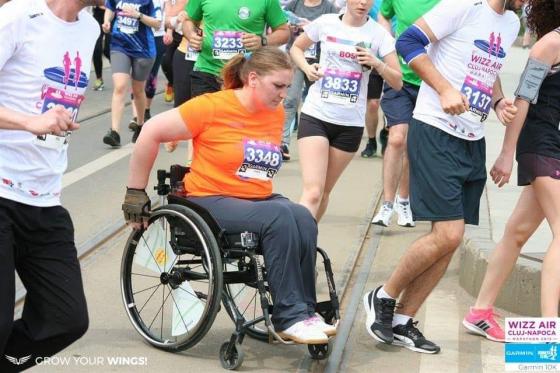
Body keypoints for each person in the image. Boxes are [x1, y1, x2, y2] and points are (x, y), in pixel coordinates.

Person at [121, 47, 336, 344]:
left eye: (287, 86)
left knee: (302, 216)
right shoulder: (211, 107)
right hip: (209, 199)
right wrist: (135, 191)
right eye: (278, 85)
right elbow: (150, 132)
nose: (284, 94)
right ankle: (288, 317)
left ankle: (304, 311)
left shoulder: (274, 115)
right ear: (252, 79)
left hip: (254, 200)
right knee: (280, 217)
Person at [363, 0, 523, 354]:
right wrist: (443, 88)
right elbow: (407, 42)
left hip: (472, 137)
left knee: (451, 237)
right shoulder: (463, 6)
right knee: (448, 234)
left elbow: (487, 65)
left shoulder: (510, 22)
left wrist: (497, 103)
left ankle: (403, 319)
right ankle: (383, 295)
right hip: (436, 129)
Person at [0, 0, 101, 371]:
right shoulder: (17, 17)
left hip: (44, 196)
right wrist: (29, 122)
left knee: (66, 319)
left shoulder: (89, 28)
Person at [463, 0, 560, 343]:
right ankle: (551, 336)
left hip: (554, 146)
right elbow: (522, 100)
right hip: (541, 144)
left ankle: (479, 312)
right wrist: (506, 153)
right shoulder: (551, 44)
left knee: (517, 232)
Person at [291, 0, 402, 221]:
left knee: (323, 193)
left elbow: (398, 81)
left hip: (349, 124)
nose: (363, 3)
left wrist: (377, 63)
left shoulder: (379, 35)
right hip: (317, 115)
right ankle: (297, 247)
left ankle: (308, 237)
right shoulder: (326, 23)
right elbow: (296, 48)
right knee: (312, 192)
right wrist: (306, 68)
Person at [370, 0, 440, 228]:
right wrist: (388, 42)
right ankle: (387, 205)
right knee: (398, 137)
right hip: (399, 79)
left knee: (412, 144)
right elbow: (383, 14)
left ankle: (404, 201)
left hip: (430, 82)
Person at [183, 0, 290, 97]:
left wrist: (262, 41)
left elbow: (284, 32)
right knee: (204, 118)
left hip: (245, 76)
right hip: (207, 71)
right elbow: (189, 20)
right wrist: (191, 35)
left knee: (236, 118)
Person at [280, 0, 339, 161]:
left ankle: (325, 141)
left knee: (322, 100)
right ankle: (282, 143)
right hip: (297, 59)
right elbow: (281, 26)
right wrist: (291, 28)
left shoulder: (329, 8)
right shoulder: (294, 5)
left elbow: (337, 32)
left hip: (321, 61)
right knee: (290, 99)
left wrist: (311, 26)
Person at [102, 0, 161, 147]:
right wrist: (107, 21)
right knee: (120, 86)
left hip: (143, 49)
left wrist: (138, 15)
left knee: (138, 90)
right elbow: (110, 8)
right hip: (119, 45)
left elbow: (157, 23)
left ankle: (140, 125)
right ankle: (114, 132)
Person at [92, 4, 112, 91]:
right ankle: (99, 79)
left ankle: (121, 72)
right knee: (96, 49)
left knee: (108, 50)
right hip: (98, 16)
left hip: (112, 15)